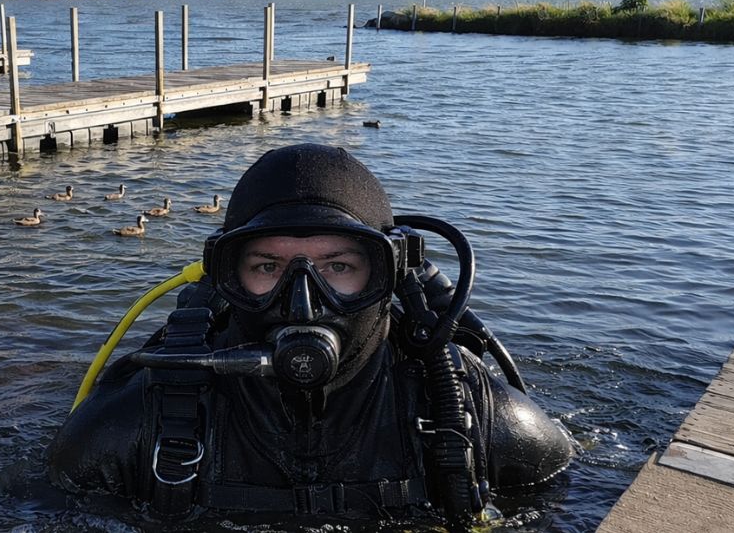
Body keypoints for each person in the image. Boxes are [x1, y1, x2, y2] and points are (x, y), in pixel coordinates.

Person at [47, 143, 573, 528]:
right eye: (267, 266)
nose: (304, 300)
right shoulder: (128, 427)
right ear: (228, 278)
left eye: (339, 266)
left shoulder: (483, 420)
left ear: (388, 274)